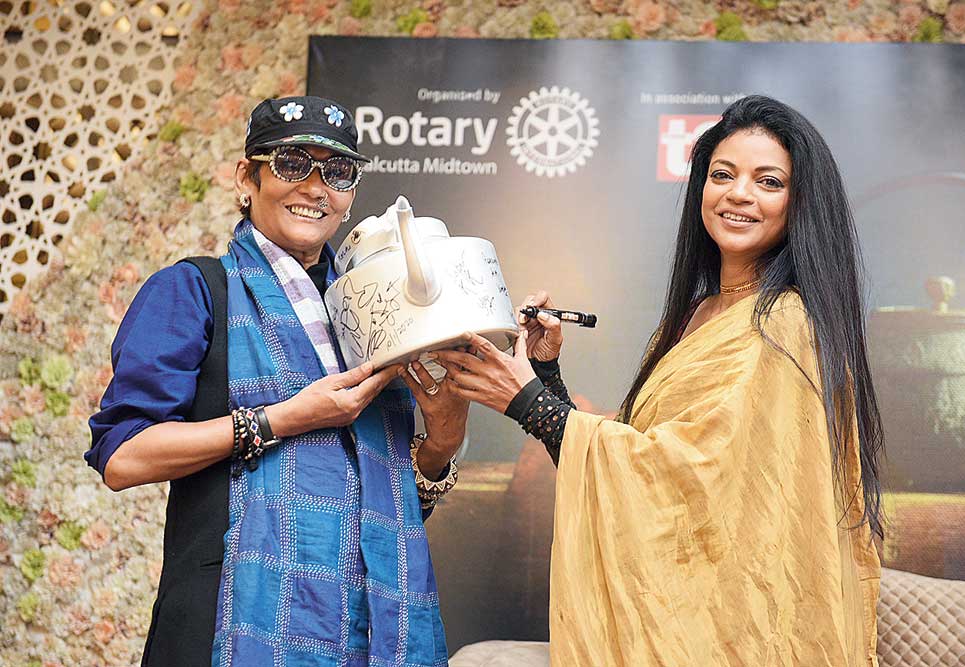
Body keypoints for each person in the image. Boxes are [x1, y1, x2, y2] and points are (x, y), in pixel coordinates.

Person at [432, 95, 884, 666]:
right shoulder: (697, 315)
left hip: (732, 632)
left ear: (800, 204)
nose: (738, 194)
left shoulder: (787, 324)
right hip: (676, 616)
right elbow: (633, 477)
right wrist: (545, 376)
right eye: (723, 175)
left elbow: (686, 483)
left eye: (767, 181)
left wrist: (525, 401)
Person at [86, 96, 466, 667]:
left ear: (352, 193)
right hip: (230, 622)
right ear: (248, 176)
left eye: (337, 172)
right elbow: (123, 459)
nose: (316, 188)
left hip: (371, 628)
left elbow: (379, 496)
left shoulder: (376, 309)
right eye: (292, 163)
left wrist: (441, 439)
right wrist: (282, 417)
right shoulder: (194, 291)